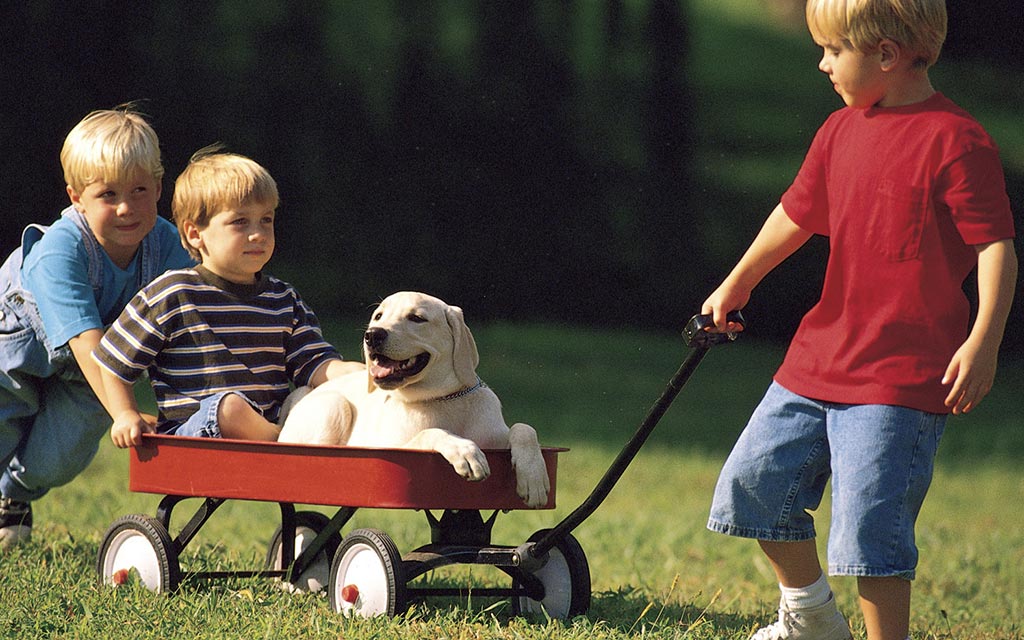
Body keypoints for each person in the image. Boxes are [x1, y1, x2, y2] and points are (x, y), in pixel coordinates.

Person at [700, 1, 1017, 639]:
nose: (821, 64)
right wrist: (739, 281)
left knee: (872, 531)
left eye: (832, 51)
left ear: (886, 55)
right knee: (753, 488)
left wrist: (983, 342)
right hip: (816, 361)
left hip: (899, 378)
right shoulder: (839, 131)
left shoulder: (956, 140)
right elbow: (796, 213)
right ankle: (813, 618)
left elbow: (996, 247)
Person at [0, 105, 196, 547]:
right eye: (108, 195)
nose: (127, 208)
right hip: (17, 348)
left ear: (160, 188)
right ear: (77, 198)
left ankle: (12, 496)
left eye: (140, 190)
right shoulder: (60, 251)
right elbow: (88, 343)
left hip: (91, 372)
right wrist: (125, 411)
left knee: (60, 458)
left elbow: (194, 317)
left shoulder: (166, 245)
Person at [93, 148, 361, 449]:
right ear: (195, 234)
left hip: (267, 425)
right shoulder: (173, 293)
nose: (257, 234)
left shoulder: (282, 299)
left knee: (328, 397)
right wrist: (125, 414)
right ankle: (287, 447)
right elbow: (112, 360)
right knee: (229, 407)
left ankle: (291, 444)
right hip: (193, 438)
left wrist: (351, 374)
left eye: (266, 220)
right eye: (240, 222)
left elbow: (313, 363)